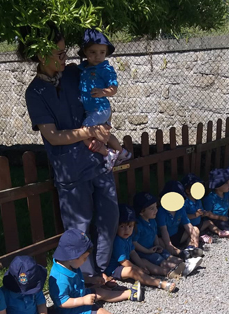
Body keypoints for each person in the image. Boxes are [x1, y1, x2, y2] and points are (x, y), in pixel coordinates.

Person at [22, 28, 118, 287]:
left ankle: (103, 269)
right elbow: (53, 136)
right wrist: (89, 132)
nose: (66, 58)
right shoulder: (35, 93)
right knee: (80, 227)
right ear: (41, 55)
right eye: (59, 53)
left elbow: (101, 102)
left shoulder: (76, 73)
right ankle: (87, 277)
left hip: (98, 161)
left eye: (65, 52)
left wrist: (105, 124)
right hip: (71, 169)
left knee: (109, 217)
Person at [49, 228, 149, 314]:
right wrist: (83, 301)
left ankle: (130, 294)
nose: (85, 261)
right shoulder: (60, 279)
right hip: (71, 309)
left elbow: (78, 277)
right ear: (72, 257)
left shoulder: (70, 265)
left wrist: (91, 279)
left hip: (80, 294)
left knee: (100, 291)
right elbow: (62, 302)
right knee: (101, 313)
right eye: (84, 258)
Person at [78, 28, 132, 170]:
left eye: (102, 52)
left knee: (84, 132)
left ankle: (107, 153)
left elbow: (113, 88)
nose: (98, 56)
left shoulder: (105, 69)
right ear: (85, 52)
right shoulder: (83, 68)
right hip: (92, 110)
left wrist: (103, 92)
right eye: (93, 52)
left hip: (100, 109)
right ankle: (122, 152)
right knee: (106, 134)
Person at [105, 204, 178, 292]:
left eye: (130, 226)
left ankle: (166, 272)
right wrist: (137, 268)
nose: (127, 230)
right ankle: (159, 283)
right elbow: (123, 261)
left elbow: (132, 252)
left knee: (143, 261)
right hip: (115, 269)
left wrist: (141, 265)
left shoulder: (128, 238)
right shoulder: (118, 241)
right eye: (122, 226)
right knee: (132, 271)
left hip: (126, 263)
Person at [132, 192, 189, 278]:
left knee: (166, 254)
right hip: (143, 252)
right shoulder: (138, 226)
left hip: (153, 248)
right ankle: (177, 269)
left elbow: (155, 234)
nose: (156, 210)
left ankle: (184, 263)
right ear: (141, 212)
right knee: (158, 259)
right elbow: (134, 243)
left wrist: (157, 245)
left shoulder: (152, 221)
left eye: (156, 207)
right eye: (152, 209)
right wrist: (147, 251)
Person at [156, 181, 204, 270]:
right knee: (158, 241)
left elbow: (187, 224)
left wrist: (194, 238)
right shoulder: (161, 211)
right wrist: (169, 244)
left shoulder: (180, 208)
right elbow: (163, 230)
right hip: (165, 238)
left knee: (195, 229)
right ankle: (181, 254)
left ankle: (192, 249)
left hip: (178, 235)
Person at [181, 173, 226, 242]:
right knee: (193, 232)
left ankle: (220, 232)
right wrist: (194, 215)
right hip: (189, 227)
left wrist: (204, 213)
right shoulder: (185, 202)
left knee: (209, 222)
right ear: (188, 191)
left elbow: (201, 211)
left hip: (199, 224)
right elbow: (183, 217)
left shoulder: (198, 200)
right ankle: (199, 238)